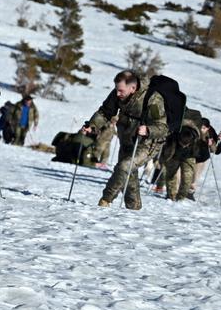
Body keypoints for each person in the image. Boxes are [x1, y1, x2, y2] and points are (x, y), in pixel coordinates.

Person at [82, 70, 169, 210]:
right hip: (127, 138)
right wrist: (92, 126)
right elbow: (105, 112)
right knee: (128, 177)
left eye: (121, 90)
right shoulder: (118, 93)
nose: (117, 94)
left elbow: (162, 127)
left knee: (124, 167)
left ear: (133, 88)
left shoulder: (152, 98)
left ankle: (105, 200)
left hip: (148, 143)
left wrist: (148, 130)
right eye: (116, 89)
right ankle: (133, 210)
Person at [154, 108, 203, 201]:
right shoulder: (173, 135)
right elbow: (166, 148)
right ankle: (171, 196)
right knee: (171, 175)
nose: (183, 146)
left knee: (187, 178)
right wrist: (162, 159)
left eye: (186, 145)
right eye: (182, 144)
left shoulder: (196, 138)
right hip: (174, 155)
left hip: (189, 156)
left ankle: (181, 198)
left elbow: (205, 146)